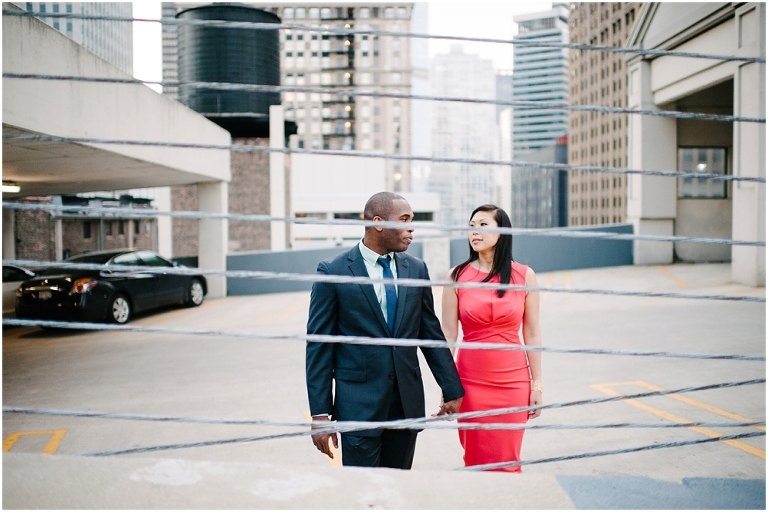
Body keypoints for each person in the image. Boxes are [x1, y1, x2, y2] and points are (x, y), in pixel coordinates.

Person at [306, 191, 465, 469]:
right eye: (404, 220)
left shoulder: (416, 269)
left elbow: (429, 333)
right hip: (358, 408)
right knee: (364, 488)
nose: (411, 228)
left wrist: (451, 387)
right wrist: (320, 414)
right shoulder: (334, 271)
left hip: (405, 405)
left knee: (398, 485)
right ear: (378, 223)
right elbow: (319, 345)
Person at [441, 204, 543, 472]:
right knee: (476, 460)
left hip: (513, 382)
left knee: (508, 460)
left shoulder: (524, 275)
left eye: (483, 225)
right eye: (471, 226)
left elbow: (532, 333)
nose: (475, 231)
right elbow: (449, 335)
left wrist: (537, 385)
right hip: (470, 382)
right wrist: (447, 384)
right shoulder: (456, 276)